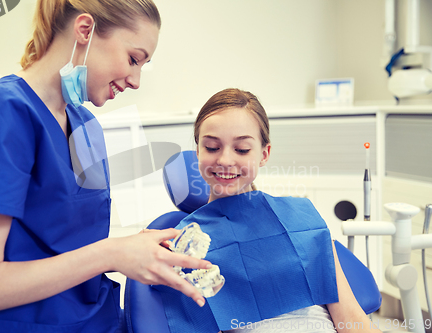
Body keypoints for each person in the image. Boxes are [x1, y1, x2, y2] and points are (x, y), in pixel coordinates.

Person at [0, 0, 212, 332]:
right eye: (133, 59)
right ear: (85, 30)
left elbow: (68, 243)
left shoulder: (86, 127)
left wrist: (135, 249)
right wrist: (113, 253)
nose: (137, 80)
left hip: (95, 318)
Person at [155, 88, 382, 333]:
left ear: (264, 154)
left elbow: (353, 321)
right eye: (211, 147)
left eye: (242, 149)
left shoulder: (301, 221)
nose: (225, 160)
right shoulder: (183, 247)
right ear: (198, 151)